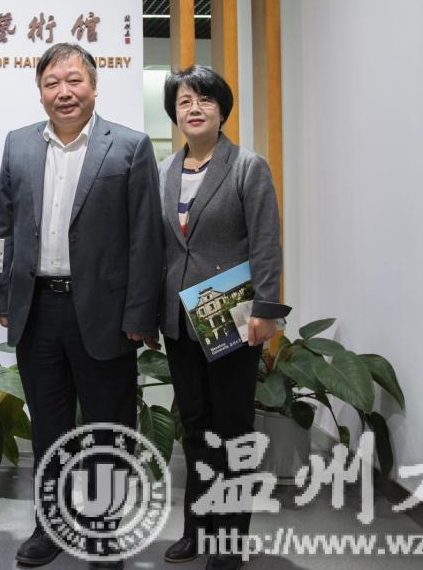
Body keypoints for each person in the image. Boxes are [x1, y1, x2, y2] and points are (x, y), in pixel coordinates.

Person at [0, 42, 164, 570]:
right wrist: (4, 296)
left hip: (105, 312)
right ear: (40, 90)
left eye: (74, 81)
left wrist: (139, 314)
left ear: (93, 85)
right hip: (37, 309)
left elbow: (146, 237)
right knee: (49, 425)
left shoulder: (129, 146)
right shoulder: (18, 144)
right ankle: (50, 525)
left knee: (108, 426)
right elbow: (5, 228)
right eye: (52, 83)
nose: (63, 92)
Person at [156, 66, 288, 570]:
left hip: (232, 316)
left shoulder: (247, 167)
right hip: (179, 320)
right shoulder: (164, 171)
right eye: (184, 101)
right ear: (174, 113)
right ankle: (196, 528)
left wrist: (266, 310)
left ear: (222, 109)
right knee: (194, 427)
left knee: (232, 429)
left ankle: (229, 539)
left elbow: (266, 243)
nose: (194, 108)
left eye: (205, 99)